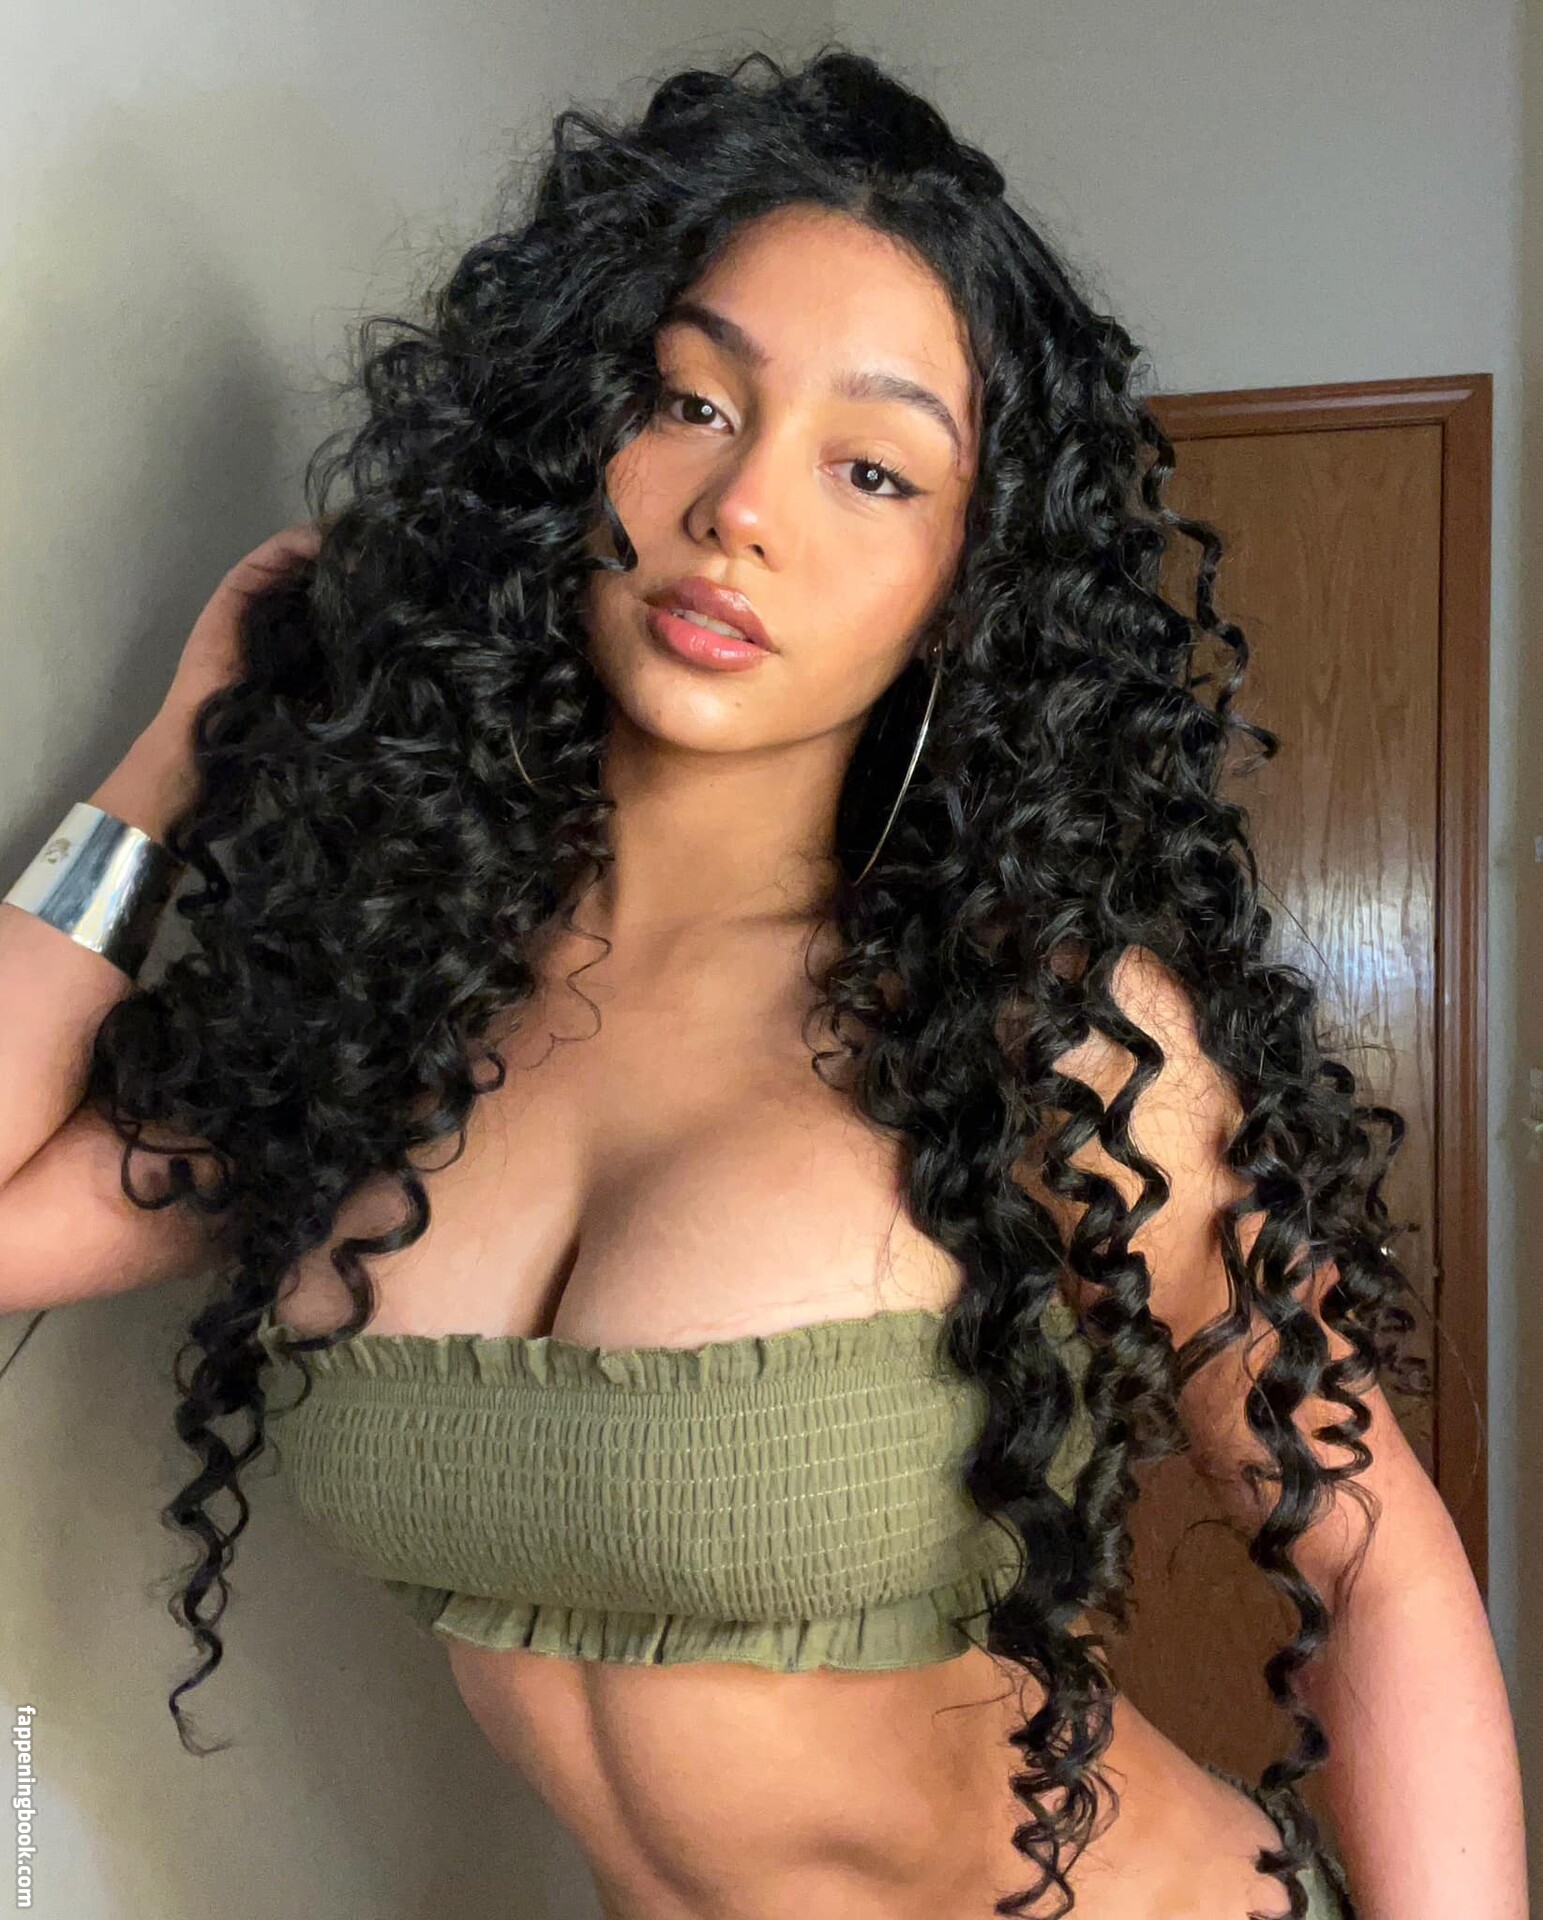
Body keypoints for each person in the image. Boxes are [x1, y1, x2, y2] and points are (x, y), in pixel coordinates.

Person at [0, 43, 1524, 1920]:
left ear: (965, 585)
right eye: (690, 402)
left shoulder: (1035, 1025)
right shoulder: (389, 1001)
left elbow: (1373, 1565)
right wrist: (176, 749)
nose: (741, 509)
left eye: (872, 468)